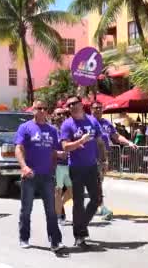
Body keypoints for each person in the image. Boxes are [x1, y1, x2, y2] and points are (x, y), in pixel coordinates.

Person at [14, 100, 65, 253]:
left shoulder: (52, 130)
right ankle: (24, 237)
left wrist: (59, 157)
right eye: (39, 108)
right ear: (33, 110)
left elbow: (54, 151)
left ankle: (55, 241)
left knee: (51, 210)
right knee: (26, 209)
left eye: (45, 108)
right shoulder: (25, 127)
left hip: (47, 175)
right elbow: (18, 148)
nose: (42, 111)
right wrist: (24, 167)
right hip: (30, 175)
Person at [60, 96, 107, 248]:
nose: (72, 106)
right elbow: (66, 147)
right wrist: (80, 141)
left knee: (97, 199)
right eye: (69, 104)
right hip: (76, 167)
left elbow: (100, 143)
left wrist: (104, 161)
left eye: (75, 103)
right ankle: (79, 236)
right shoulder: (67, 125)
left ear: (81, 104)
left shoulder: (93, 121)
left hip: (92, 167)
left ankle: (81, 225)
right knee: (78, 203)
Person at [90, 101, 137, 220]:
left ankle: (96, 206)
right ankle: (102, 207)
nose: (98, 110)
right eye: (95, 108)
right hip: (90, 157)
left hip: (103, 157)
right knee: (96, 183)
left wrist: (129, 142)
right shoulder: (88, 122)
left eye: (100, 108)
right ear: (91, 109)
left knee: (98, 182)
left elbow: (116, 136)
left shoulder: (106, 123)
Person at [52, 107, 72, 225]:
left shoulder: (68, 128)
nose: (61, 116)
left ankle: (57, 208)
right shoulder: (51, 130)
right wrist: (57, 153)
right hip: (57, 166)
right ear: (54, 116)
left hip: (70, 165)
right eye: (58, 114)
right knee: (58, 191)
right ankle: (59, 216)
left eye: (63, 114)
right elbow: (46, 148)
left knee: (71, 192)